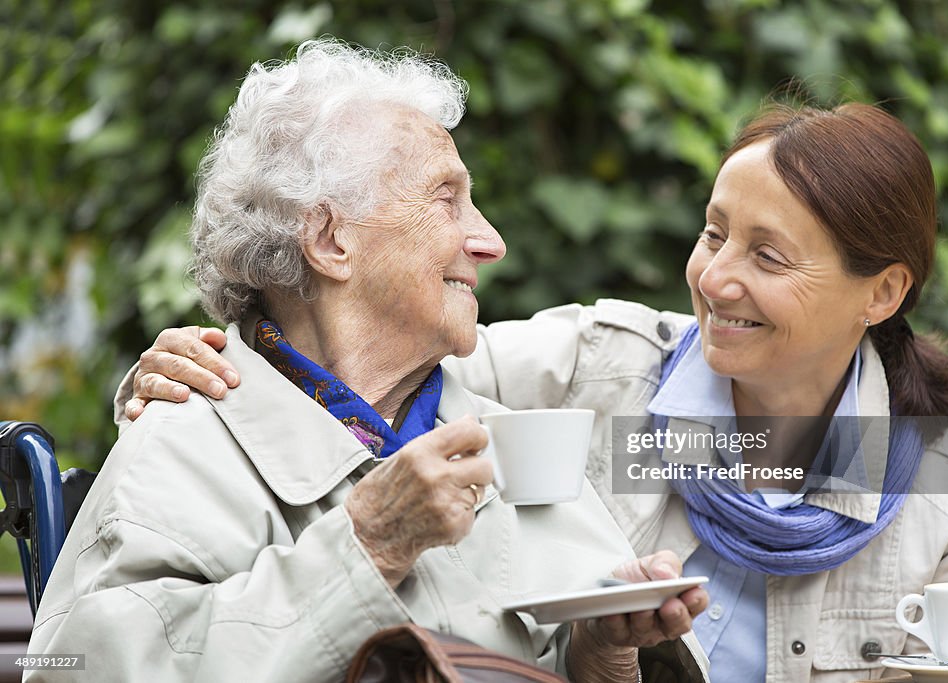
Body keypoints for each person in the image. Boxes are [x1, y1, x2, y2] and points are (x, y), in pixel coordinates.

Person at [122, 101, 948, 682]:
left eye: (767, 257)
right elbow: (361, 363)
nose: (714, 278)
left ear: (881, 292)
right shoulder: (595, 373)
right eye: (714, 233)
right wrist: (197, 364)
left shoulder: (940, 491)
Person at [27, 39, 714, 683]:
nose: (490, 240)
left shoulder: (507, 437)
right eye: (448, 199)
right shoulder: (185, 440)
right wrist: (366, 543)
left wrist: (605, 652)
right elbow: (83, 665)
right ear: (330, 239)